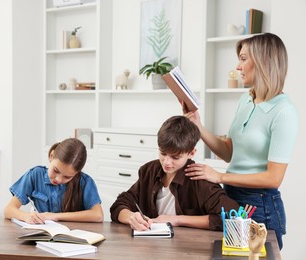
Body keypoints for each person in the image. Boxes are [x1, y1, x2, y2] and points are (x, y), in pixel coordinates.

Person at [184, 33, 299, 250]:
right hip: (230, 196)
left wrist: (218, 175)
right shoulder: (246, 99)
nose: (238, 66)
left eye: (243, 59)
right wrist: (198, 126)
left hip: (260, 203)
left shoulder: (285, 111)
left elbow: (274, 178)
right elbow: (229, 152)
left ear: (263, 62)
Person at [110, 115, 239, 231]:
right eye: (163, 153)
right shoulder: (149, 171)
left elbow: (232, 217)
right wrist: (131, 217)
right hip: (150, 248)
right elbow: (119, 205)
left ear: (191, 153)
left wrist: (176, 219)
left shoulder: (199, 178)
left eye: (175, 157)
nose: (166, 162)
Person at [4, 138, 103, 224]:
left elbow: (98, 215)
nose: (58, 179)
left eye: (67, 177)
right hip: (43, 236)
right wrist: (26, 216)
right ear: (51, 156)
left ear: (76, 173)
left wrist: (55, 216)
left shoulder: (85, 182)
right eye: (56, 170)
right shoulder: (35, 175)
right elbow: (8, 210)